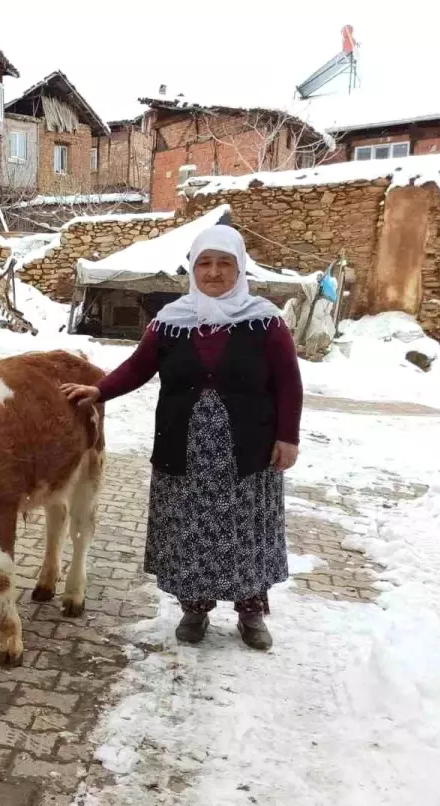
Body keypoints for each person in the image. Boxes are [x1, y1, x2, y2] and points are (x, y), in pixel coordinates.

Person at [63, 225, 303, 651]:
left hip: (246, 449)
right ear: (192, 269)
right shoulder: (171, 322)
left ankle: (249, 611)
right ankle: (195, 608)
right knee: (191, 529)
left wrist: (288, 437)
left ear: (240, 267)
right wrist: (100, 390)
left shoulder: (264, 320)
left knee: (242, 528)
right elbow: (137, 367)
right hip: (185, 446)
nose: (213, 273)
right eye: (204, 263)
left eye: (224, 263)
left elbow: (289, 382)